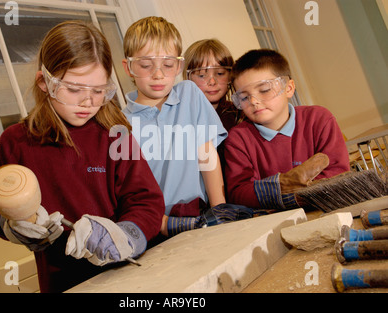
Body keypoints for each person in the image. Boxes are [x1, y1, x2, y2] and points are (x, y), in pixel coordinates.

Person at [0, 21, 165, 293]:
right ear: (44, 82)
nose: (88, 102)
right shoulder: (16, 142)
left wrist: (126, 234)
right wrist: (15, 225)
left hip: (130, 277)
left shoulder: (117, 134)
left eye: (98, 91)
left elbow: (146, 201)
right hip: (65, 282)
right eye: (74, 89)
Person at [121, 17, 253, 238]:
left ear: (179, 65)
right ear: (129, 67)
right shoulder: (120, 123)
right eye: (145, 65)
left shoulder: (189, 94)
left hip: (201, 214)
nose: (158, 74)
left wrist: (219, 210)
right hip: (155, 226)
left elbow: (207, 155)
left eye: (168, 65)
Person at [224, 49, 350, 211]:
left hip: (326, 211)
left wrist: (274, 192)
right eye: (244, 97)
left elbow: (338, 174)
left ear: (289, 88)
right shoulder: (238, 139)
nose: (254, 101)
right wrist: (283, 185)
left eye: (264, 90)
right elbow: (240, 193)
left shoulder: (319, 119)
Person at [183, 39, 243, 131]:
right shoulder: (181, 117)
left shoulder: (240, 115)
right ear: (188, 78)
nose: (212, 82)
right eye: (202, 75)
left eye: (219, 73)